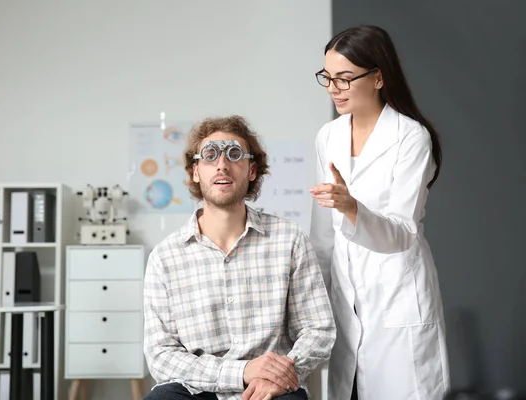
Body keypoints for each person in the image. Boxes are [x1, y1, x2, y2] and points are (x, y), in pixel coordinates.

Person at [143, 115, 336, 400]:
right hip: (194, 388)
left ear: (252, 170)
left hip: (271, 388)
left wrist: (282, 375)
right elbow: (160, 354)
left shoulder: (289, 239)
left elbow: (317, 330)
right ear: (195, 171)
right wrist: (241, 372)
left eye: (234, 154)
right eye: (210, 156)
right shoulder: (164, 257)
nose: (222, 164)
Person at [309, 25, 450, 400]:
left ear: (378, 77)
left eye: (345, 78)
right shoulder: (329, 136)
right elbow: (323, 236)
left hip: (396, 297)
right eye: (327, 77)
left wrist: (353, 208)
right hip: (346, 302)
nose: (333, 88)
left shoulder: (411, 137)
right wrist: (313, 305)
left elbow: (403, 232)